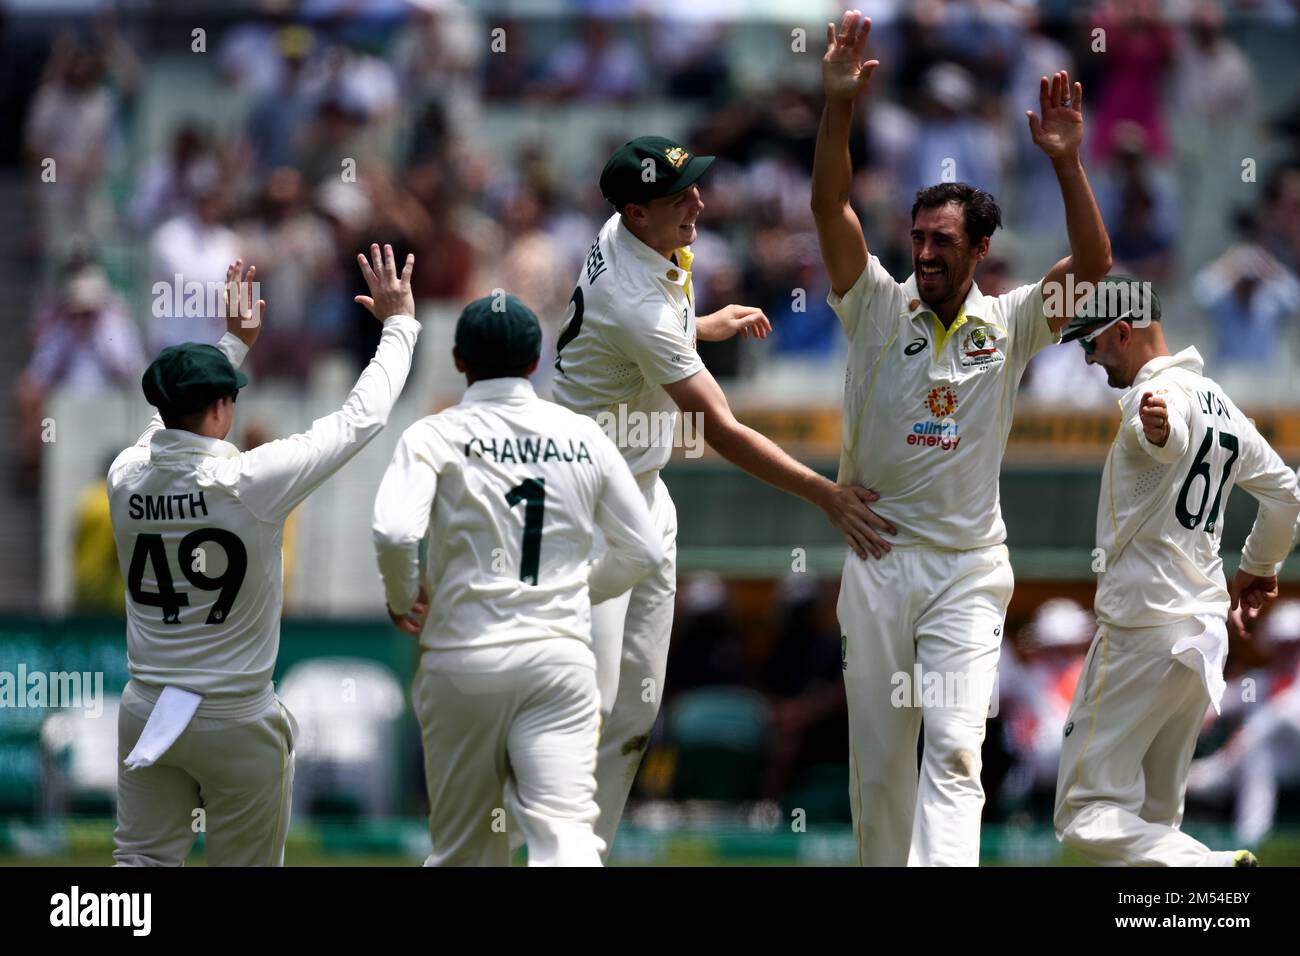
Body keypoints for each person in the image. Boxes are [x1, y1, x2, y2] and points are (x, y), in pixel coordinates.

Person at [810, 11, 1112, 865]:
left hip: (968, 572)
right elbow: (829, 203)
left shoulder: (1010, 324)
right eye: (918, 239)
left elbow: (1093, 269)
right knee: (879, 773)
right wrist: (838, 106)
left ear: (981, 248)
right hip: (876, 563)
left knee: (953, 751)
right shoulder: (874, 304)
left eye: (944, 241)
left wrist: (1066, 161)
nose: (926, 252)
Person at [549, 134, 886, 858]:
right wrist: (823, 493)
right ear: (636, 212)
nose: (701, 200)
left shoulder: (632, 238)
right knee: (586, 704)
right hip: (590, 511)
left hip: (644, 494)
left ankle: (585, 854)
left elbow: (632, 341)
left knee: (637, 710)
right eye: (681, 195)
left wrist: (699, 328)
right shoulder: (636, 293)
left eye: (697, 184)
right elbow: (721, 429)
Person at [109, 246, 419, 866]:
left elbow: (164, 427)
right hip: (235, 715)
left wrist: (231, 342)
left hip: (146, 705)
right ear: (223, 407)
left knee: (138, 866)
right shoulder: (252, 482)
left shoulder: (125, 476)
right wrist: (400, 325)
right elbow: (363, 419)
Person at [372, 294, 660, 866]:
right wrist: (577, 591)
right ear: (536, 362)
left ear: (458, 361)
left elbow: (395, 533)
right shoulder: (584, 437)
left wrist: (403, 598)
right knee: (566, 838)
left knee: (464, 851)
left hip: (463, 660)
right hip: (558, 661)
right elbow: (644, 549)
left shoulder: (433, 435)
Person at [1053, 277, 1300, 866]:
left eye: (1090, 343)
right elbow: (1286, 494)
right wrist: (1259, 567)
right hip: (1203, 635)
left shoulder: (1156, 399)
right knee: (1152, 819)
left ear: (1123, 331)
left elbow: (1163, 432)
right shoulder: (1219, 399)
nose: (1087, 358)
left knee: (1083, 812)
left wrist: (1162, 431)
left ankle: (1208, 866)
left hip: (1141, 631)